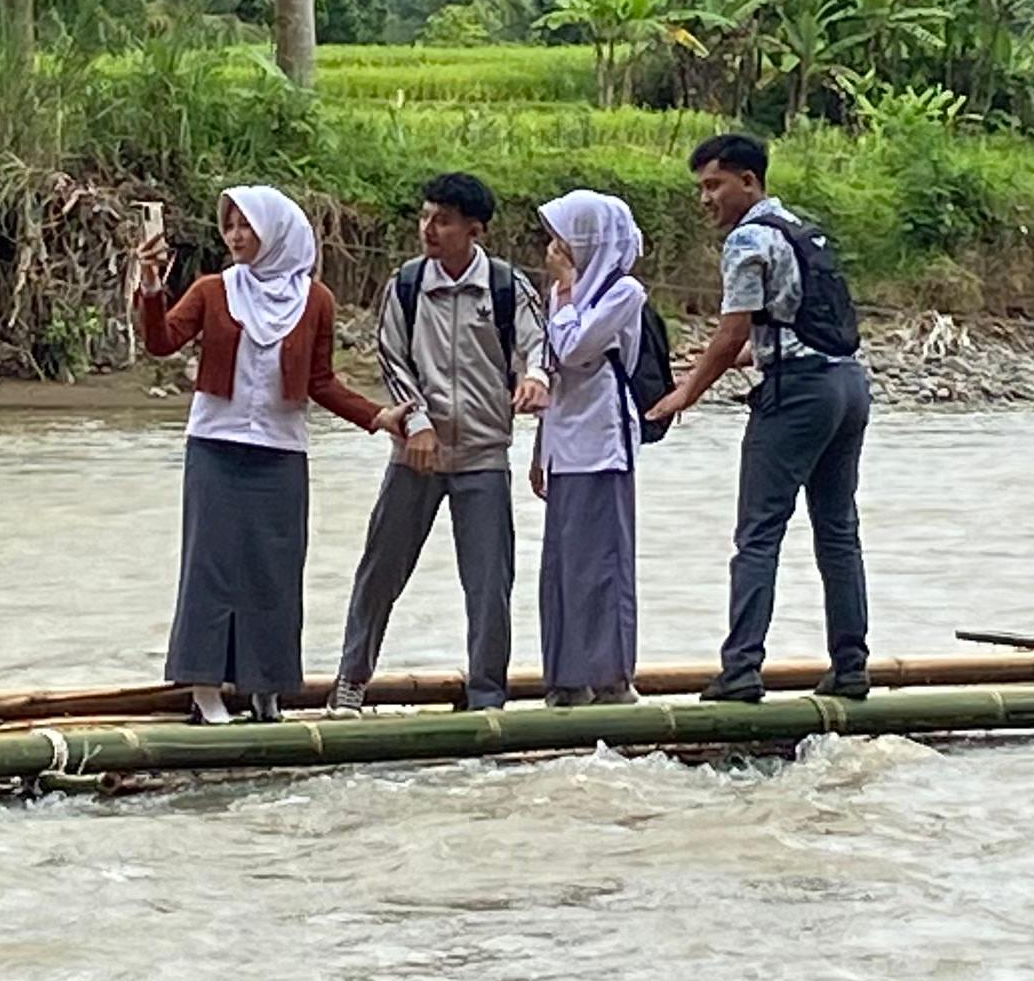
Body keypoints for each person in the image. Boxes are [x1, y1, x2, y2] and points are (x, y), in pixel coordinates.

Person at [133, 185, 386, 723]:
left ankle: (266, 688)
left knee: (275, 570)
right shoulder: (212, 290)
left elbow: (321, 380)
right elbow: (160, 341)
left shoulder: (314, 300)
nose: (236, 237)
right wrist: (151, 284)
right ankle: (205, 689)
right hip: (216, 446)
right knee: (210, 568)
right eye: (229, 227)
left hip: (280, 451)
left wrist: (376, 416)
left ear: (277, 232)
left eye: (246, 226)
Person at [645, 133, 870, 702]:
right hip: (847, 385)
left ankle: (741, 669)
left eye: (714, 185)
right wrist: (738, 356)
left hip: (796, 398)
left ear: (749, 182)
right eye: (700, 187)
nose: (705, 199)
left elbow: (732, 333)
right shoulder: (802, 229)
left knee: (758, 535)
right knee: (838, 532)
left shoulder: (748, 238)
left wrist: (684, 393)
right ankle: (851, 666)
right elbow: (793, 326)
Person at [330, 174, 549, 713]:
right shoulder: (405, 285)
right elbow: (392, 359)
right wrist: (417, 423)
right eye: (425, 217)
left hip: (483, 453)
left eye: (443, 220)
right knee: (380, 571)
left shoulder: (505, 286)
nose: (429, 229)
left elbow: (538, 344)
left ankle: (486, 696)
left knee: (489, 582)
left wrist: (536, 378)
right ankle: (350, 682)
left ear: (474, 230)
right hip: (415, 454)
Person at [530, 188, 651, 706]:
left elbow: (575, 349)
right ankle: (565, 676)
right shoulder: (565, 297)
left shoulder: (624, 293)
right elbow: (549, 369)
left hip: (602, 441)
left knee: (602, 561)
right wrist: (540, 448)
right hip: (564, 441)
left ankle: (611, 677)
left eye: (564, 239)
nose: (554, 249)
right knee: (561, 562)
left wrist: (565, 289)